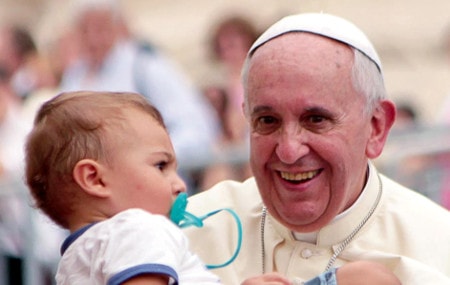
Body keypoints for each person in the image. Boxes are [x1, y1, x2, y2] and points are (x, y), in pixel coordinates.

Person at [24, 91, 398, 285]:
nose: (179, 182)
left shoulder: (76, 258)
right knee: (368, 279)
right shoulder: (138, 228)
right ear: (95, 179)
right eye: (160, 166)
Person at [184, 12, 450, 284]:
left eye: (316, 120)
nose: (288, 150)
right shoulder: (189, 232)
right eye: (267, 121)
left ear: (376, 127)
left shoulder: (440, 248)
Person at [59, 0, 220, 191]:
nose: (93, 38)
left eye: (100, 28)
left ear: (116, 27)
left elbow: (196, 129)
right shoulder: (74, 78)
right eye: (85, 30)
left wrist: (145, 162)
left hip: (150, 196)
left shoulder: (146, 67)